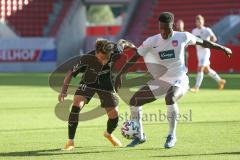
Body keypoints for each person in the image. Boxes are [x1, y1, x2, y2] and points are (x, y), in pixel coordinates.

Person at [115, 12, 232, 148]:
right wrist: (120, 75)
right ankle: (139, 136)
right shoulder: (152, 41)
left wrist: (223, 48)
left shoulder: (183, 36)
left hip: (179, 79)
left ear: (172, 26)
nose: (163, 32)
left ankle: (172, 135)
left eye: (166, 29)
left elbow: (204, 42)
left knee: (170, 98)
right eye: (161, 29)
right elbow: (135, 57)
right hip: (160, 81)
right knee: (134, 101)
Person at [58, 38, 134, 150]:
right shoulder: (86, 59)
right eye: (102, 58)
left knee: (114, 115)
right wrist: (64, 91)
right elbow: (71, 72)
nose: (104, 61)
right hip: (89, 82)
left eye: (107, 58)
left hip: (106, 83)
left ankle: (108, 134)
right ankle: (70, 142)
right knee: (76, 104)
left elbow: (123, 42)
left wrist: (132, 46)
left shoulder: (115, 50)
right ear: (96, 53)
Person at [191, 15, 226, 92]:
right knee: (207, 70)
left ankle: (196, 87)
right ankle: (220, 81)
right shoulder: (194, 31)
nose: (199, 22)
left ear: (203, 21)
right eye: (197, 21)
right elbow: (193, 40)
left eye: (200, 21)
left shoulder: (207, 30)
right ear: (196, 22)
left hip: (206, 52)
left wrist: (209, 43)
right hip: (199, 53)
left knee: (200, 68)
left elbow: (214, 38)